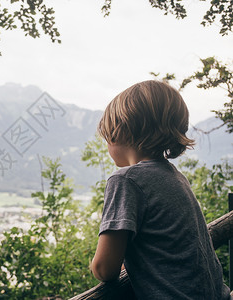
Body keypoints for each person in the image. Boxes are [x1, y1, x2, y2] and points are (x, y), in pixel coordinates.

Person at [90, 80, 231, 299]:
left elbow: (104, 269)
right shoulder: (174, 177)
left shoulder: (125, 180)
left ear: (121, 132)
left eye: (107, 134)